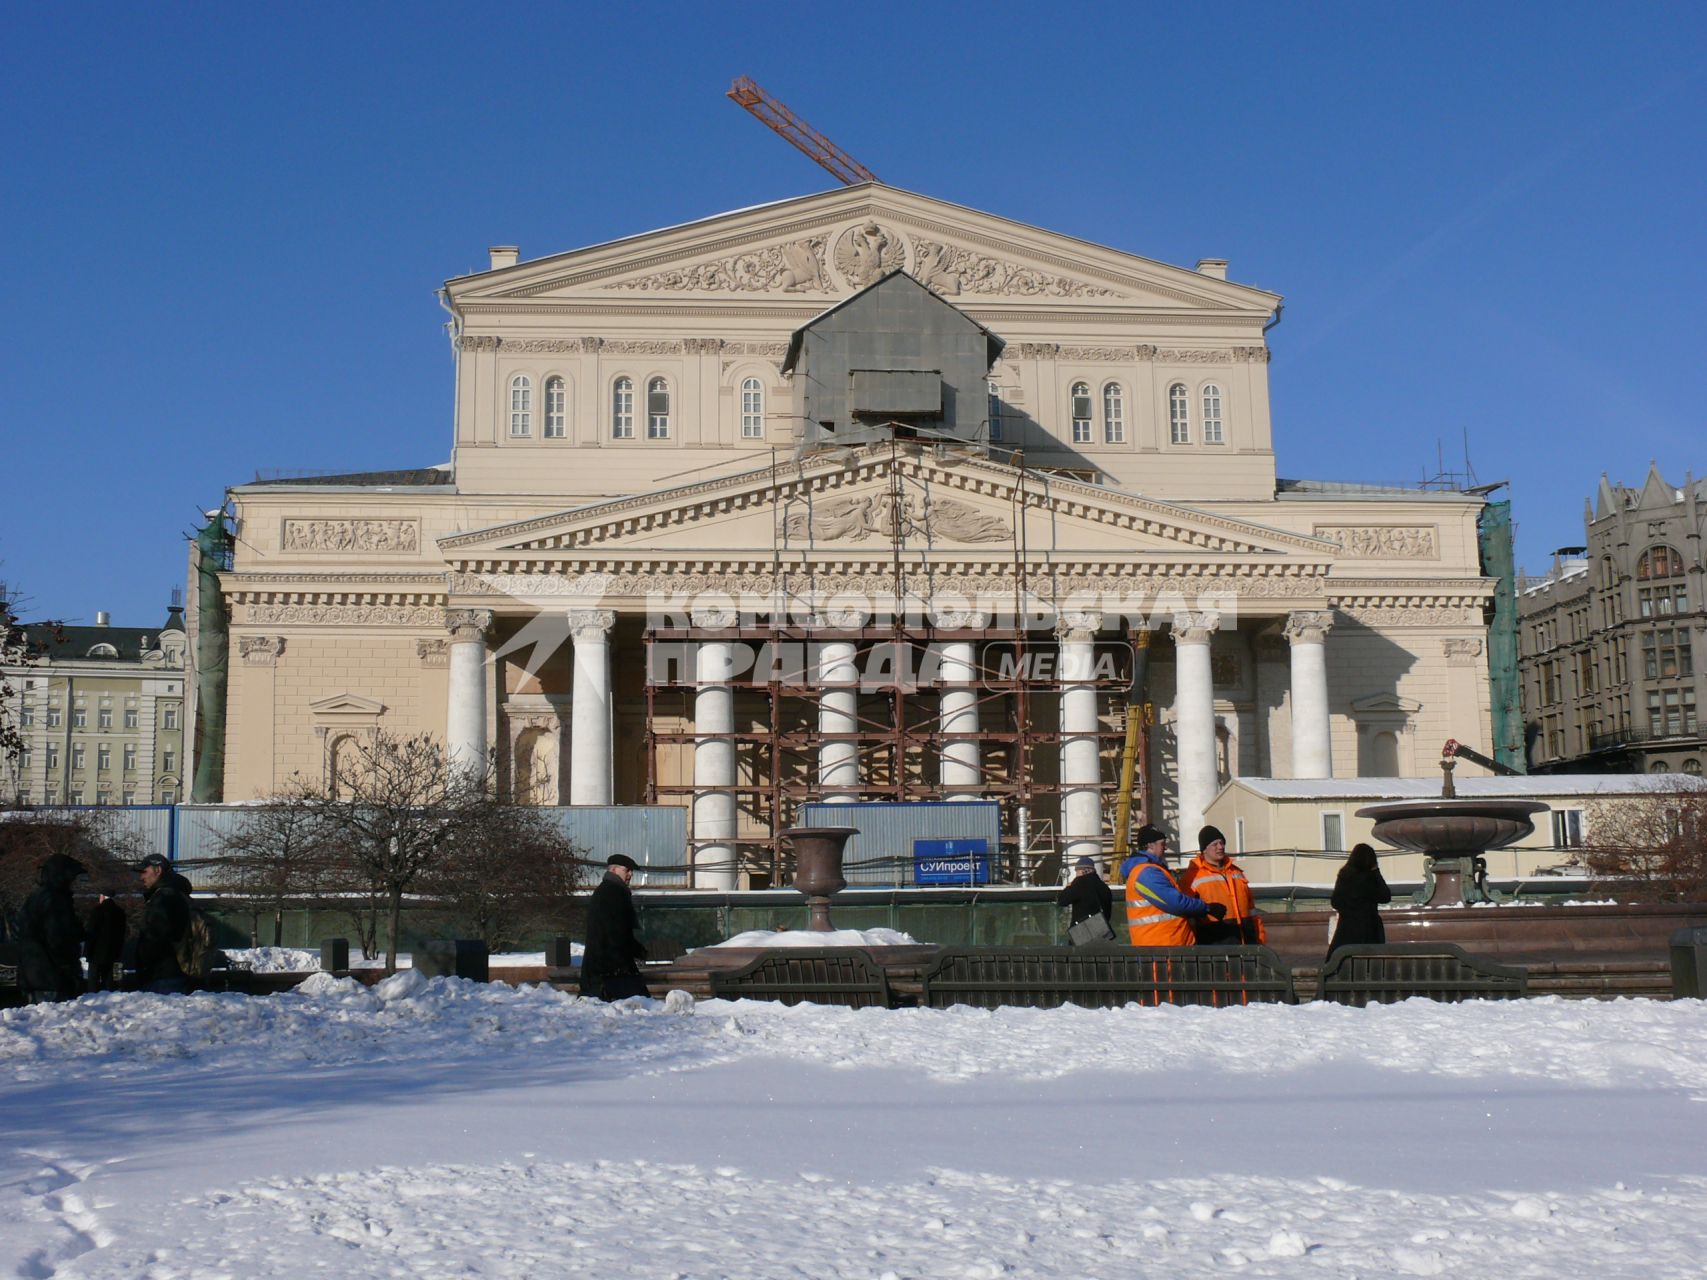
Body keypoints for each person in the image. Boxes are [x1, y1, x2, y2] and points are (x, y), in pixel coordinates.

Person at [1119, 823, 1223, 946]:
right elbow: (1175, 902)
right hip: (1162, 949)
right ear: (1150, 845)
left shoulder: (1149, 870)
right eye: (1162, 844)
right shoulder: (1146, 873)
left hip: (1166, 946)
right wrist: (1206, 908)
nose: (1166, 848)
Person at [14, 853, 88, 1003]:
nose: (74, 882)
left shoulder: (36, 897)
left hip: (33, 975)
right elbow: (58, 938)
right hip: (52, 976)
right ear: (64, 876)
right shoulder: (56, 899)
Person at [579, 853, 651, 1001]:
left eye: (631, 871)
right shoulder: (614, 893)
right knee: (634, 1004)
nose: (630, 874)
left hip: (604, 967)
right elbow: (618, 931)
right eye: (627, 870)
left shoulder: (608, 890)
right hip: (610, 968)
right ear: (614, 870)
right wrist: (637, 950)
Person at [1182, 826, 1266, 946]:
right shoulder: (1192, 877)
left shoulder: (1237, 873)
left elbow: (1252, 911)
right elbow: (1187, 917)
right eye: (1215, 844)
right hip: (1215, 948)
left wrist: (1260, 939)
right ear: (1204, 849)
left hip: (1247, 944)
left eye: (1222, 843)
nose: (1220, 847)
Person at [134, 853, 193, 994]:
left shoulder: (164, 898)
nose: (141, 877)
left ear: (158, 870)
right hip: (173, 972)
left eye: (144, 872)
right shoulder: (176, 894)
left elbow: (156, 936)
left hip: (163, 974)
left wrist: (143, 958)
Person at [1326, 843, 1392, 961]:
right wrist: (1377, 872)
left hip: (1346, 929)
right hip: (1369, 929)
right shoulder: (1369, 877)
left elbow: (1335, 901)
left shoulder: (1344, 876)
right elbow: (1385, 896)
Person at [1057, 855, 1114, 944]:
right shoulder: (1104, 888)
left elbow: (1062, 900)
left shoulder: (1079, 883)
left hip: (1081, 932)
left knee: (1077, 956)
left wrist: (1069, 886)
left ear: (1083, 871)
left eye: (1077, 872)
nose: (1076, 875)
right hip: (1102, 930)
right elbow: (1108, 913)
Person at [85, 893, 128, 993]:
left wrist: (87, 951)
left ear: (103, 897)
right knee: (111, 979)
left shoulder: (97, 911)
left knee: (93, 980)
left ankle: (93, 998)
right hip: (114, 952)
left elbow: (91, 931)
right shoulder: (120, 912)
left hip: (95, 953)